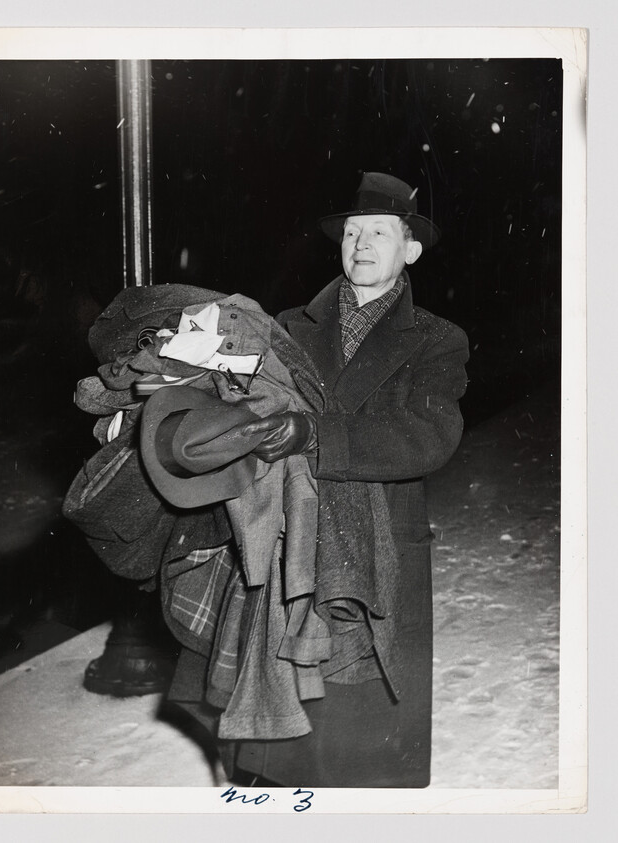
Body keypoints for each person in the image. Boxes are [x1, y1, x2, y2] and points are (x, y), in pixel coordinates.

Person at [232, 172, 469, 787]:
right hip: (293, 540)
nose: (361, 244)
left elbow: (430, 437)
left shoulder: (438, 341)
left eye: (380, 233)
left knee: (366, 744)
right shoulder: (287, 327)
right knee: (289, 726)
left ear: (410, 250)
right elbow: (239, 398)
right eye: (353, 232)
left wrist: (318, 436)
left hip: (380, 548)